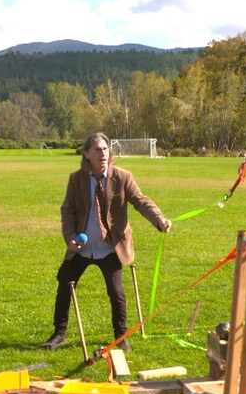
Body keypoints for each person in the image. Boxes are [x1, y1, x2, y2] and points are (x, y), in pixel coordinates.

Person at [40, 132, 171, 352]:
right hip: (81, 247)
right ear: (86, 154)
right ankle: (58, 334)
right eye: (98, 150)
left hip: (110, 247)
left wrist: (159, 219)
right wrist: (70, 238)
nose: (103, 153)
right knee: (64, 284)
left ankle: (121, 338)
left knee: (116, 293)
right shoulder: (76, 179)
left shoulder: (122, 177)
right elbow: (67, 210)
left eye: (105, 149)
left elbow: (141, 201)